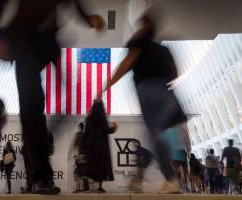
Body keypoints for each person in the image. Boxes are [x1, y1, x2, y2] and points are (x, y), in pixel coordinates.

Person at [0, 0, 105, 194]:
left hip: (46, 41)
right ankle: (40, 176)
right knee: (31, 108)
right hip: (24, 40)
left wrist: (87, 18)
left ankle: (38, 176)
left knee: (32, 110)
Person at [98, 15, 186, 194]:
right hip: (167, 94)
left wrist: (106, 86)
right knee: (154, 136)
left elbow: (125, 65)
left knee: (154, 136)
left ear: (145, 27)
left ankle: (168, 179)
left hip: (149, 93)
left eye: (139, 26)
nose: (136, 29)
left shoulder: (138, 43)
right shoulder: (163, 49)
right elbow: (175, 73)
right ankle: (140, 179)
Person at [84, 101, 117, 193]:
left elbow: (86, 133)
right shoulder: (103, 119)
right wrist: (115, 127)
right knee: (102, 167)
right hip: (102, 147)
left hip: (92, 147)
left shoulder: (89, 118)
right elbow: (108, 130)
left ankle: (88, 187)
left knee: (92, 166)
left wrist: (84, 147)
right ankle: (100, 187)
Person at [72, 122, 89, 193]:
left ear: (79, 127)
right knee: (85, 173)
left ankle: (78, 188)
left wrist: (74, 155)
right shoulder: (86, 135)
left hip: (80, 156)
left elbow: (75, 145)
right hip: (86, 156)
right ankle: (86, 188)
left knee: (77, 173)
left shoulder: (78, 134)